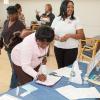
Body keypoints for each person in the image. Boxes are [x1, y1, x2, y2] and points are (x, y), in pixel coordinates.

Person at [51, 0, 85, 68]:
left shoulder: (76, 19)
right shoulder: (57, 19)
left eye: (72, 7)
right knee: (60, 68)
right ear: (63, 7)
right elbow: (51, 33)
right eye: (68, 7)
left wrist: (69, 35)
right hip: (58, 48)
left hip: (71, 49)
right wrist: (59, 38)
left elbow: (81, 35)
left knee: (68, 70)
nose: (71, 9)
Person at [0, 6, 25, 88]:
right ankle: (18, 83)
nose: (10, 16)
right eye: (9, 14)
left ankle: (12, 87)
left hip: (16, 50)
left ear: (17, 14)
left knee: (15, 69)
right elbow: (2, 35)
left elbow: (23, 38)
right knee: (14, 68)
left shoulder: (20, 24)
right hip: (8, 50)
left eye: (12, 14)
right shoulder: (6, 22)